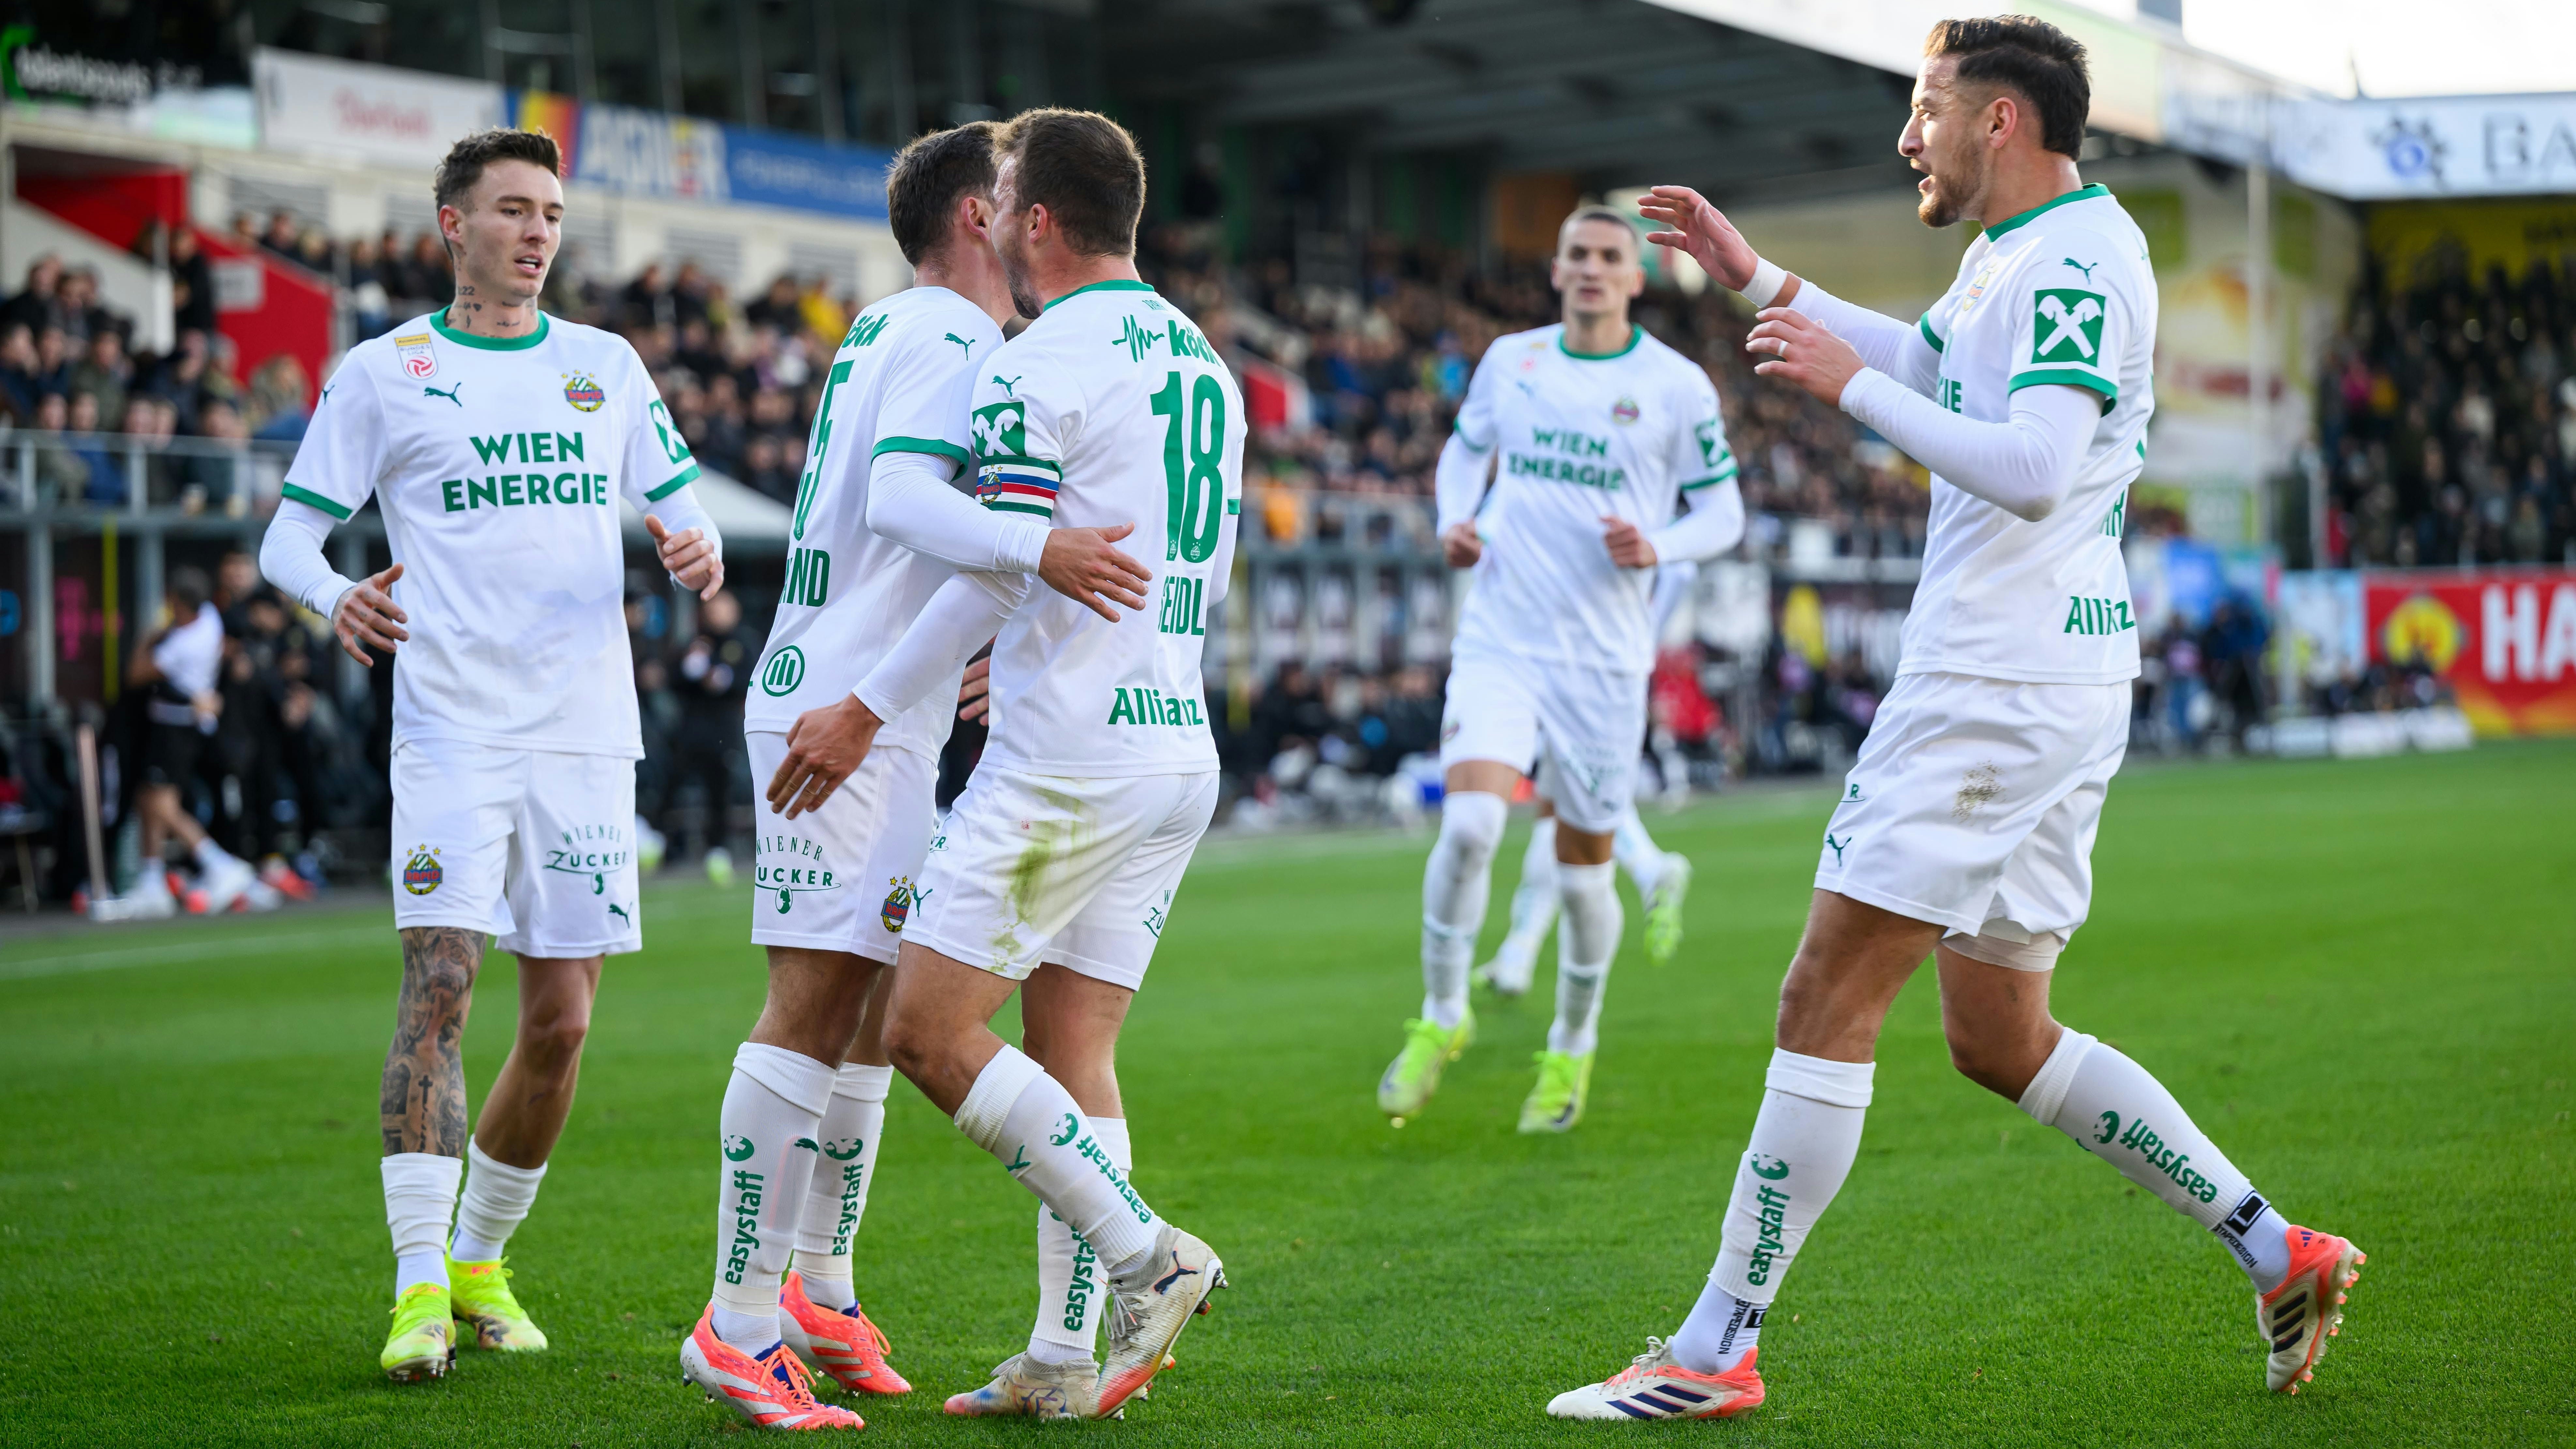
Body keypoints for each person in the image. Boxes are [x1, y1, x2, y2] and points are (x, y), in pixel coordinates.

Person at [1547, 17, 2365, 1421]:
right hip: (2050, 673)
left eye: (1926, 108)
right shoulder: (2015, 252)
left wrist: (1845, 386)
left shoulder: (2075, 264)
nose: (1906, 136)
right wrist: (1756, 277)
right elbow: (1937, 372)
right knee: (1998, 1032)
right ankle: (2274, 1246)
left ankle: (1713, 1346)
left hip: (1993, 681)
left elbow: (2036, 464)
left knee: (1823, 993)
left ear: (2001, 119)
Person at [674, 119, 1153, 1431]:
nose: (1025, 203)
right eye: (1006, 187)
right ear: (975, 217)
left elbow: (916, 541)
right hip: (847, 708)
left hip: (868, 696)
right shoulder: (950, 335)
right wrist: (1039, 556)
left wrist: (990, 639)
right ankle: (736, 1322)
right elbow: (902, 504)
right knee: (812, 1005)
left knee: (876, 998)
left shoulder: (906, 329)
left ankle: (815, 1288)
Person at [767, 107, 1240, 1422]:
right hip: (1171, 741)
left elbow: (994, 563)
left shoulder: (1038, 360)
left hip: (1067, 758)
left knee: (923, 1029)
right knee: (1074, 1047)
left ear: (1034, 220)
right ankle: (1060, 1356)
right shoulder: (1204, 361)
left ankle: (1148, 1254)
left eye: (1007, 195)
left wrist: (866, 706)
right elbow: (1159, 560)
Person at [255, 126, 726, 1386]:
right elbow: (287, 540)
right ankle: (417, 1287)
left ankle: (478, 1261)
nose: (537, 233)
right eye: (514, 209)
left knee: (562, 1021)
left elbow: (685, 515)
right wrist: (337, 596)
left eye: (552, 213)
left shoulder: (604, 366)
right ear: (453, 225)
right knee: (442, 985)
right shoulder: (385, 372)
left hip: (583, 732)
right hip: (453, 728)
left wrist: (694, 549)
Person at [1379, 205, 1746, 1134]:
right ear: (1555, 271)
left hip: (1602, 665)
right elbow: (1464, 454)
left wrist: (1658, 544)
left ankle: (1572, 1045)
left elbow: (1723, 513)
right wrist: (1453, 521)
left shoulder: (1675, 386)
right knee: (1469, 825)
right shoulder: (1513, 362)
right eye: (1576, 253)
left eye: (1609, 256)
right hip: (1501, 639)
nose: (1590, 268)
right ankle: (1443, 1013)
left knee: (1585, 876)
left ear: (1633, 278)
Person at [1479, 560, 1707, 995]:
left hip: (1586, 678)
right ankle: (1516, 955)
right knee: (1557, 812)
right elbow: (1681, 572)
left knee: (1579, 805)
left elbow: (1680, 568)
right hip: (1599, 673)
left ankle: (1650, 868)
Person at [118, 566, 268, 917]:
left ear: (178, 603)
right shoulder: (210, 618)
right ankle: (152, 880)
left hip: (176, 730)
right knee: (150, 799)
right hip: (182, 725)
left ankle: (220, 864)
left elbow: (135, 674)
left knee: (162, 805)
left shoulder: (184, 644)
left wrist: (149, 636)